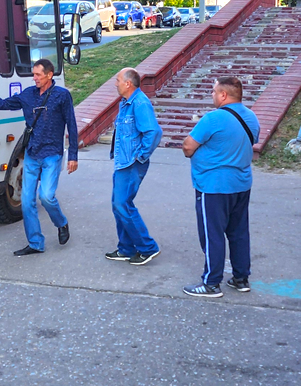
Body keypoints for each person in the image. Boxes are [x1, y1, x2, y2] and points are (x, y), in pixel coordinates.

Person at [0, 58, 78, 256]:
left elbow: (72, 125)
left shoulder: (62, 96)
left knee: (46, 197)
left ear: (49, 75)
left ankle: (62, 223)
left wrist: (73, 156)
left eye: (37, 75)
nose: (34, 78)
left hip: (52, 154)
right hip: (32, 153)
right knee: (26, 202)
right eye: (33, 74)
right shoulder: (28, 95)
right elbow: (3, 104)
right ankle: (35, 243)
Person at [181, 76, 259, 298]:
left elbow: (188, 146)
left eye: (214, 91)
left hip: (213, 186)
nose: (212, 95)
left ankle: (211, 283)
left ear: (223, 95)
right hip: (241, 184)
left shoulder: (213, 119)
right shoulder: (252, 117)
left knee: (212, 233)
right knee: (238, 232)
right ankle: (241, 278)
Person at [106, 68, 162, 265]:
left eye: (118, 79)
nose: (116, 83)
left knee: (123, 204)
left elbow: (153, 132)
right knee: (118, 205)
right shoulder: (126, 103)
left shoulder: (140, 103)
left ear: (128, 83)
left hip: (131, 164)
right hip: (123, 162)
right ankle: (126, 248)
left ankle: (147, 247)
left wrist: (141, 156)